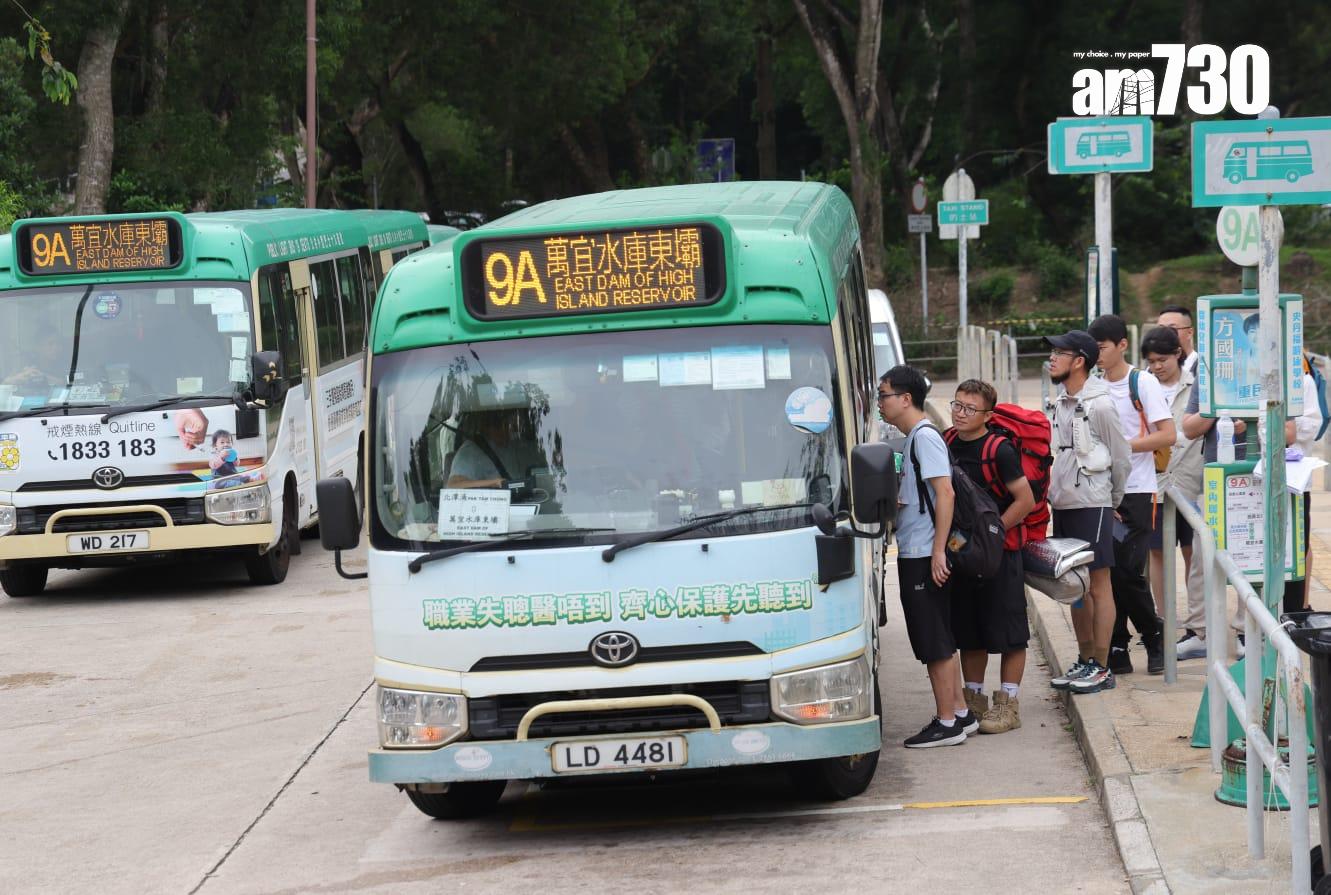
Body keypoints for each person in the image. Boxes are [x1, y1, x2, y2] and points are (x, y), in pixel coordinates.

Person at [878, 365, 976, 747]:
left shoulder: (923, 437)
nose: (880, 404)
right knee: (940, 637)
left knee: (933, 640)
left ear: (906, 399)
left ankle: (946, 721)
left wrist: (938, 552)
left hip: (923, 552)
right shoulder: (915, 438)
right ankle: (961, 713)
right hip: (920, 549)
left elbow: (946, 493)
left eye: (884, 396)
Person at [945, 379, 1036, 734]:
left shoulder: (1000, 450)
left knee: (1010, 632)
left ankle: (1008, 704)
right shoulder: (947, 441)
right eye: (957, 405)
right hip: (962, 553)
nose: (960, 413)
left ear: (988, 415)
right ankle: (973, 699)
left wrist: (993, 534)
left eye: (970, 409)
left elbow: (1024, 500)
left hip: (1001, 554)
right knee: (970, 630)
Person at [1089, 314, 1175, 676]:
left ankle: (1154, 634)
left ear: (1122, 345)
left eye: (1103, 348)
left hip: (1137, 490)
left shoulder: (1143, 383)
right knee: (1108, 571)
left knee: (1127, 571)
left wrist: (1122, 447)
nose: (1098, 355)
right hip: (1099, 492)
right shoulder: (1093, 385)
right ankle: (1119, 644)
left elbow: (1167, 435)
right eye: (1092, 350)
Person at [1046, 330, 1129, 694]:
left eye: (1058, 353)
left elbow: (1121, 457)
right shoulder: (1060, 401)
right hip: (1063, 501)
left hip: (1092, 501)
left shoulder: (1102, 404)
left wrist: (1112, 501)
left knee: (1098, 583)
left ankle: (1102, 665)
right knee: (1075, 584)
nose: (1051, 359)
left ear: (1079, 360)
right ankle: (1083, 660)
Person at [1178, 361, 1249, 659]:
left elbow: (1289, 432)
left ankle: (1247, 631)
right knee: (1202, 556)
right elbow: (1189, 427)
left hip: (1254, 478)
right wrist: (1216, 412)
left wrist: (1252, 419)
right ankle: (1200, 631)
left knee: (1249, 554)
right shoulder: (1207, 376)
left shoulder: (1267, 371)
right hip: (1215, 478)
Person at [1141, 327, 1203, 626]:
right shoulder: (1141, 386)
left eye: (1162, 359)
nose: (1157, 367)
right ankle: (1164, 619)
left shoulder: (1197, 386)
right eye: (1151, 361)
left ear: (1178, 354)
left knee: (1194, 551)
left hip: (1191, 480)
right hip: (1154, 482)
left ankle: (1196, 619)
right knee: (1157, 553)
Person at [446, 409, 531, 489]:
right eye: (498, 424)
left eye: (510, 424)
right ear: (484, 427)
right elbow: (453, 486)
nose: (507, 429)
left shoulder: (521, 445)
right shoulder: (470, 451)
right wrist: (495, 483)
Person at [1157, 305, 1198, 376]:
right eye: (1161, 329)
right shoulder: (1152, 371)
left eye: (1172, 329)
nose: (1165, 334)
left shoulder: (1202, 369)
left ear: (1189, 333)